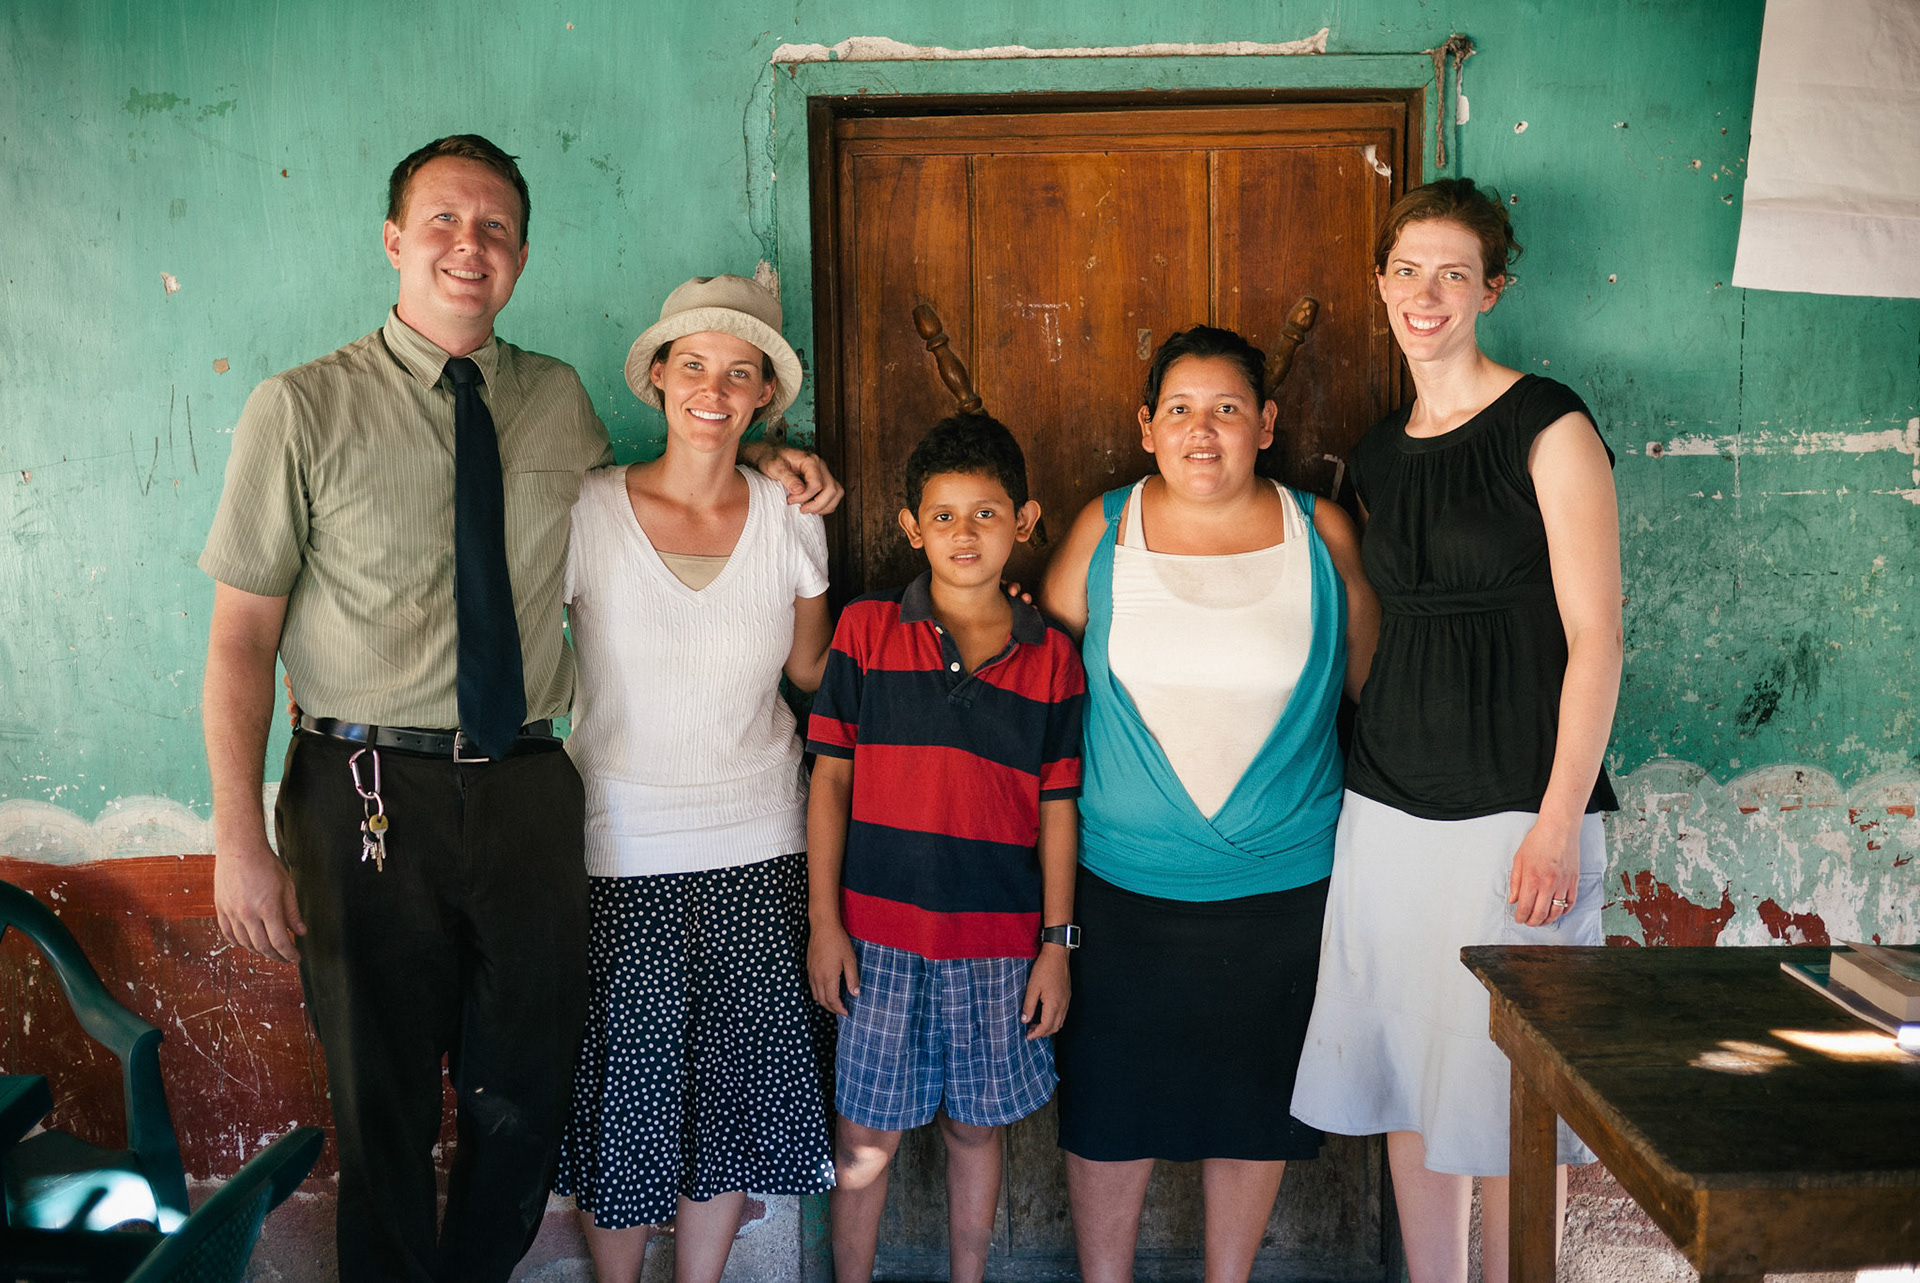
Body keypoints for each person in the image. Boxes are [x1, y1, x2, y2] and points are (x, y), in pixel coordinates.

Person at [199, 136, 839, 1282]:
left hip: (534, 788)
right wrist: (238, 834)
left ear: (524, 255)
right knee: (383, 1094)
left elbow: (677, 491)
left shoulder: (556, 403)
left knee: (526, 1090)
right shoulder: (299, 407)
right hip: (364, 790)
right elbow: (242, 637)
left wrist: (782, 462)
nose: (468, 246)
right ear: (394, 241)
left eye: (493, 228)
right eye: (442, 222)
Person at [1288, 178, 1623, 1283]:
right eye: (1406, 270)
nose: (1425, 294)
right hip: (1387, 802)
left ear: (1493, 289)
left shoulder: (1549, 421)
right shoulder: (1380, 453)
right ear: (1380, 282)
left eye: (1453, 273)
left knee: (1518, 1088)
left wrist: (1559, 818)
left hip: (1522, 805)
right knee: (1407, 1070)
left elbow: (1599, 636)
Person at [1038, 327, 1377, 1283]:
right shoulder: (1104, 528)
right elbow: (1042, 680)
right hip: (1119, 882)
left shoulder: (1322, 533)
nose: (1203, 431)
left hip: (1282, 883)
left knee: (1253, 1102)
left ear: (1266, 424)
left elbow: (1375, 692)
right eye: (1180, 410)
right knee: (1110, 1105)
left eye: (1228, 409)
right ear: (1146, 428)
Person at [553, 274, 839, 1283]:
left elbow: (810, 675)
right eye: (693, 366)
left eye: (739, 372)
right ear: (659, 380)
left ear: (763, 394)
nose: (712, 389)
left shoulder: (791, 514)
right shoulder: (589, 509)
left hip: (761, 837)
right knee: (629, 1089)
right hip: (619, 839)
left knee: (726, 1091)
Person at [806, 414, 1085, 1283]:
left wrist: (1056, 944)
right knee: (866, 1135)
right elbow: (829, 782)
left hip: (1000, 946)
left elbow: (1059, 807)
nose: (965, 534)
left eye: (987, 514)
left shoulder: (1051, 659)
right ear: (909, 526)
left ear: (1025, 520)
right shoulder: (864, 632)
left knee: (976, 1127)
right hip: (877, 938)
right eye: (944, 515)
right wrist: (824, 922)